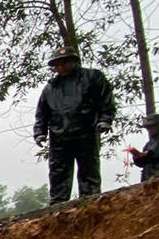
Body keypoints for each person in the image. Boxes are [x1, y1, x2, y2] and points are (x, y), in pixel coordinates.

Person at [33, 44, 116, 205]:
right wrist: (39, 132)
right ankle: (57, 205)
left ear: (73, 61)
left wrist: (105, 119)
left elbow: (106, 99)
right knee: (58, 171)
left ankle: (90, 200)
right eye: (57, 64)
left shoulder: (92, 77)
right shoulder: (50, 88)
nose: (60, 66)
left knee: (88, 168)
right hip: (59, 136)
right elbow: (42, 113)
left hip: (86, 131)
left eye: (63, 62)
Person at [126, 113, 159, 181]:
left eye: (151, 127)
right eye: (148, 128)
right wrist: (137, 157)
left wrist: (150, 154)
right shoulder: (148, 144)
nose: (149, 130)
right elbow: (143, 164)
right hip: (148, 178)